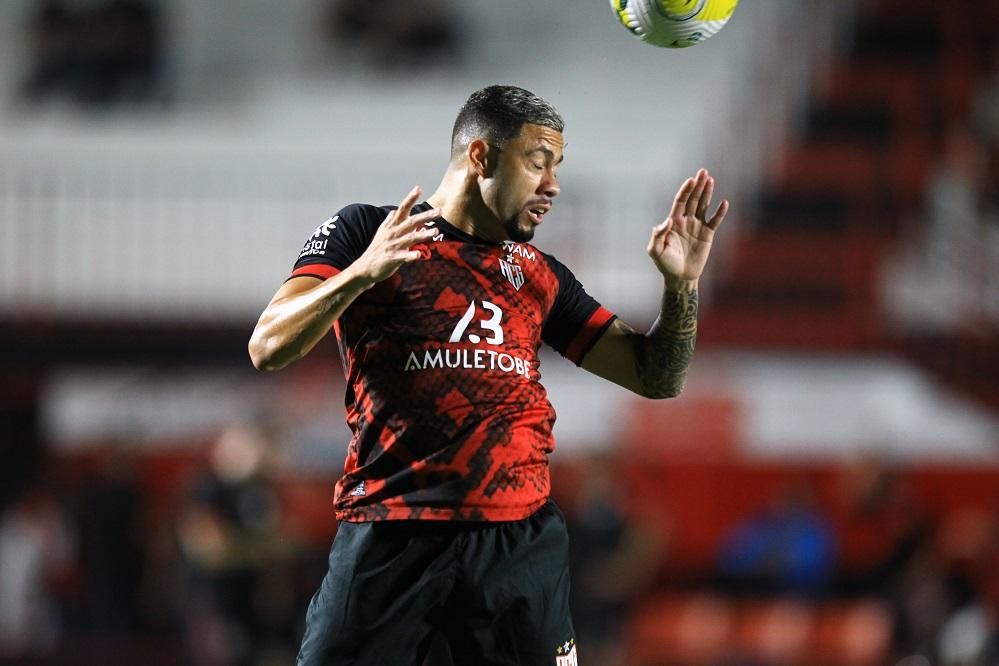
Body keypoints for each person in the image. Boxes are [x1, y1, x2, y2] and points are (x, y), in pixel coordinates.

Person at [248, 84, 728, 665]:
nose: (553, 186)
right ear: (480, 157)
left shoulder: (540, 275)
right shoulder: (366, 232)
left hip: (517, 544)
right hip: (391, 535)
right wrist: (359, 274)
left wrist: (681, 287)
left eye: (557, 167)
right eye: (537, 162)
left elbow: (658, 377)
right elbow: (268, 346)